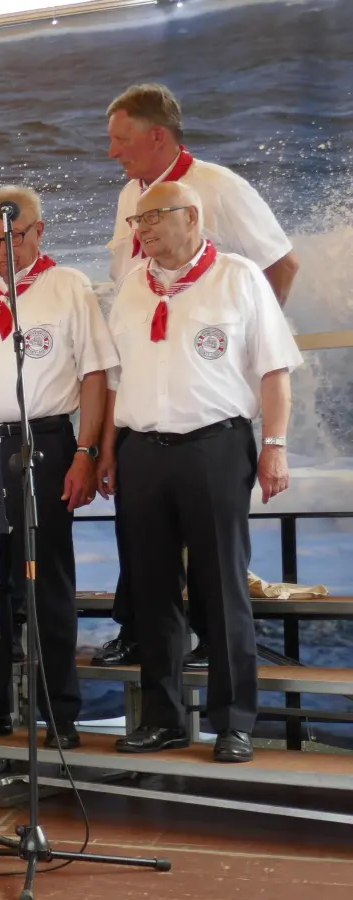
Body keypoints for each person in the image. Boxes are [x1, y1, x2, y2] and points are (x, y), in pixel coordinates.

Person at [97, 82, 300, 669]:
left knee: (213, 550)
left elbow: (281, 263)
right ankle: (139, 634)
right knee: (143, 546)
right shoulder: (128, 195)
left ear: (157, 136)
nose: (112, 152)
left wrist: (250, 345)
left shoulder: (218, 188)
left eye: (121, 140)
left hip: (211, 399)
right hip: (144, 398)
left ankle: (217, 649)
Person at [103, 181, 301, 764]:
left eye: (154, 218)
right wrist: (110, 451)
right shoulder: (133, 286)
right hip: (143, 449)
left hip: (214, 446)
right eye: (137, 222)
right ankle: (164, 719)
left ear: (192, 216)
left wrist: (275, 445)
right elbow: (116, 379)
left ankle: (234, 721)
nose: (142, 230)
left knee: (222, 585)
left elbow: (275, 370)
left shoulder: (237, 277)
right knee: (152, 589)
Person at [0, 186, 117, 750]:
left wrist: (86, 453)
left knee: (46, 583)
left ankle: (60, 711)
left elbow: (95, 374)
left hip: (46, 443)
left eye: (11, 236)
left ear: (39, 231)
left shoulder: (68, 287)